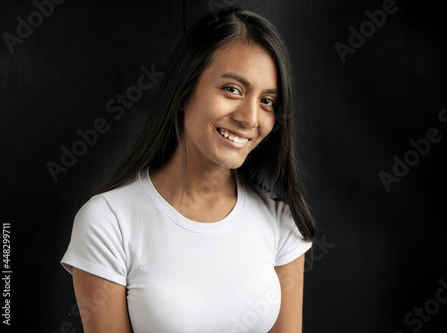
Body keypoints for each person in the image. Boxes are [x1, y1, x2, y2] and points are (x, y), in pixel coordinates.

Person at [61, 7, 316, 333]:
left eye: (267, 101)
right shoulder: (108, 222)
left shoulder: (282, 223)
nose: (250, 118)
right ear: (184, 91)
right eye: (232, 89)